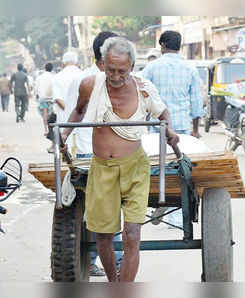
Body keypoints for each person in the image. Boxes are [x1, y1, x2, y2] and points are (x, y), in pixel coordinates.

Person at [61, 37, 179, 282]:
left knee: (132, 234)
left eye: (122, 71)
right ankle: (113, 284)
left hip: (135, 168)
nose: (115, 76)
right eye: (110, 69)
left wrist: (169, 129)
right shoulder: (90, 85)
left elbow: (162, 111)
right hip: (102, 168)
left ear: (132, 67)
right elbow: (80, 111)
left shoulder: (144, 88)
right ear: (102, 64)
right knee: (104, 235)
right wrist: (61, 135)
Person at [64, 31, 124, 277]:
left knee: (102, 209)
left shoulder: (126, 80)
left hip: (115, 155)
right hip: (94, 155)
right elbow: (73, 116)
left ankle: (97, 260)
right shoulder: (86, 82)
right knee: (105, 209)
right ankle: (114, 263)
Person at [142, 30, 204, 229]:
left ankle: (157, 200)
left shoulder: (150, 68)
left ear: (162, 45)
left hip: (156, 126)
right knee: (180, 166)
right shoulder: (190, 69)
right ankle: (176, 214)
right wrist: (195, 129)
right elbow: (196, 103)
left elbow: (142, 97)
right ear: (180, 45)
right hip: (181, 128)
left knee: (156, 164)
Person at [50, 51, 82, 153]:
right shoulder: (84, 75)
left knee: (66, 147)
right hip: (82, 117)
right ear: (77, 63)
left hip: (64, 118)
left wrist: (70, 112)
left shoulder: (57, 77)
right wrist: (77, 112)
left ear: (63, 63)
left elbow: (58, 99)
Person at [35, 63, 55, 145]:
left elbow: (36, 87)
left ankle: (46, 130)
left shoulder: (40, 77)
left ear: (45, 68)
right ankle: (51, 130)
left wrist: (37, 95)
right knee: (52, 115)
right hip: (52, 99)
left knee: (44, 115)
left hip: (43, 98)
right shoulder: (54, 76)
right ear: (52, 68)